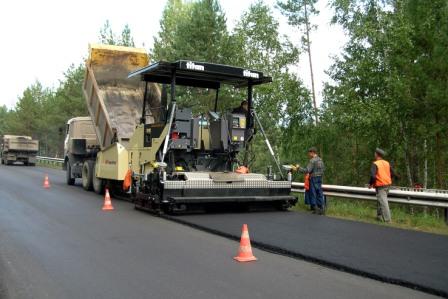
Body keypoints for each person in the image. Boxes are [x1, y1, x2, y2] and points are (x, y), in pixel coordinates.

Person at [295, 147, 325, 215]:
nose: (308, 155)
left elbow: (307, 170)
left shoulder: (312, 161)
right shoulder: (320, 160)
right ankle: (321, 208)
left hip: (313, 178)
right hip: (320, 178)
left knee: (313, 193)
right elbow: (323, 169)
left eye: (309, 153)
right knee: (319, 192)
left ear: (312, 152)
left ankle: (315, 208)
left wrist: (298, 168)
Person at [369, 148, 395, 222]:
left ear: (377, 154)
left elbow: (373, 176)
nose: (374, 154)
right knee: (380, 200)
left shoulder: (375, 163)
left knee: (383, 202)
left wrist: (371, 184)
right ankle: (379, 216)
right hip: (387, 185)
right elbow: (392, 174)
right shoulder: (387, 163)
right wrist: (387, 179)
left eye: (375, 153)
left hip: (381, 186)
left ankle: (388, 220)